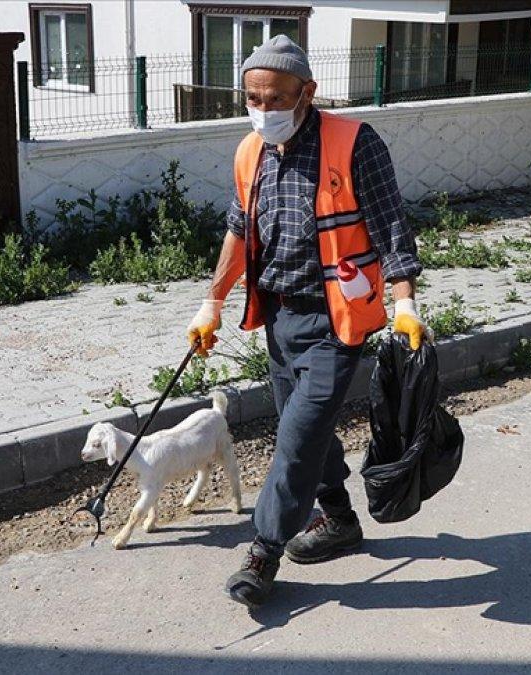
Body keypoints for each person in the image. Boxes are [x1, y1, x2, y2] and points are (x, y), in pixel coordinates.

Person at [186, 35, 427, 608]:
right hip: (279, 319)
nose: (263, 109)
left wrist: (405, 302)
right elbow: (239, 231)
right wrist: (212, 302)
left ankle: (263, 552)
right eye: (252, 98)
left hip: (335, 323)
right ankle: (339, 520)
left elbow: (391, 224)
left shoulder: (354, 143)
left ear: (307, 93)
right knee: (308, 433)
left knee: (294, 441)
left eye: (275, 99)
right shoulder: (250, 152)